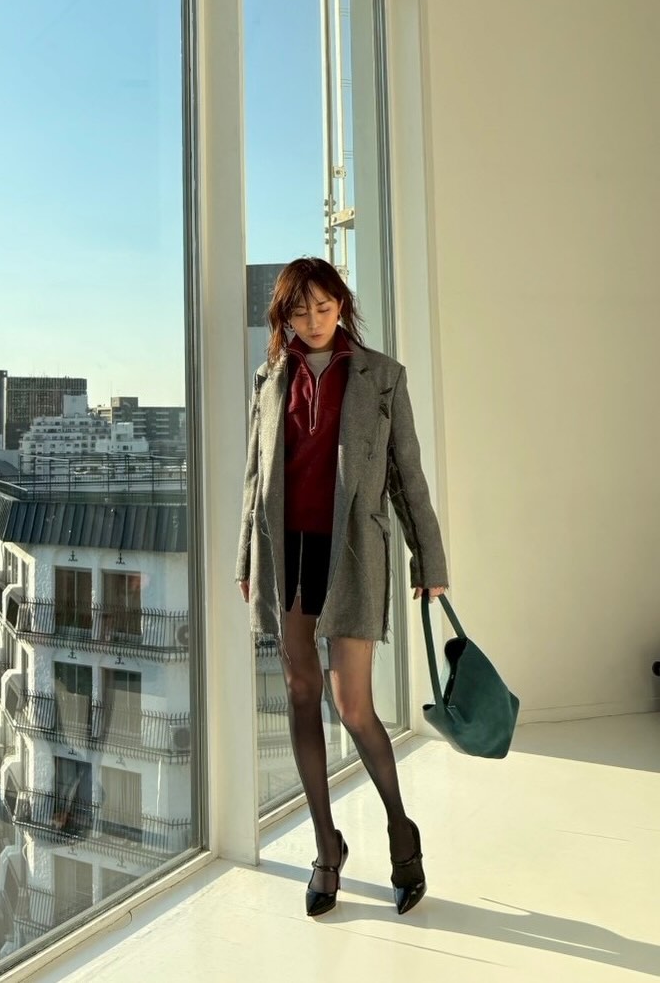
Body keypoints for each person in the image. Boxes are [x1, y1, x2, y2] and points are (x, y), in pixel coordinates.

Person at [235, 256, 448, 918]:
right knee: (301, 695)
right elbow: (254, 477)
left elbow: (407, 475)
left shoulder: (382, 376)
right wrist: (246, 559)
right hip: (287, 555)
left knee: (353, 706)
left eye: (324, 307)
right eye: (299, 311)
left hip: (352, 552)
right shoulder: (271, 377)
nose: (313, 321)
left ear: (342, 306)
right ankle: (326, 848)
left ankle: (401, 833)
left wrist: (430, 561)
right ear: (284, 316)